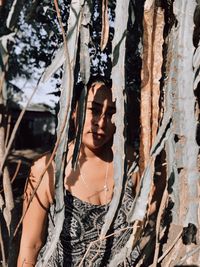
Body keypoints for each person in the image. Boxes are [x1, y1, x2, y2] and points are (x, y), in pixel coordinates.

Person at [17, 79, 140, 266]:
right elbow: (30, 246)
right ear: (75, 111)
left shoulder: (130, 163)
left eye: (111, 114)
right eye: (94, 110)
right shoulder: (48, 169)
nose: (101, 122)